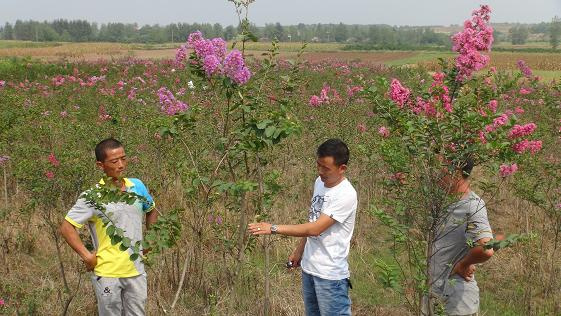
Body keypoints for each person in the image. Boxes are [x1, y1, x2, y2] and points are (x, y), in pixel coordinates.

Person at [248, 138, 357, 316]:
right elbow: (313, 220)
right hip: (309, 269)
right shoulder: (319, 183)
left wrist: (272, 228)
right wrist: (300, 251)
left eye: (326, 168)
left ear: (342, 168)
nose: (320, 172)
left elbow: (316, 228)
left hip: (330, 277)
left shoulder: (346, 194)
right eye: (318, 165)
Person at [60, 138, 157, 316]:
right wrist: (87, 257)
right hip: (107, 273)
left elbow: (151, 210)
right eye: (114, 161)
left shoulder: (137, 186)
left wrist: (149, 242)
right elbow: (66, 227)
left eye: (123, 158)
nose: (121, 165)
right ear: (100, 165)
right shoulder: (92, 196)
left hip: (136, 270)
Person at [427, 159, 494, 316]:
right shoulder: (442, 202)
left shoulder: (473, 205)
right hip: (435, 295)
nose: (437, 175)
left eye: (441, 169)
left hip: (455, 302)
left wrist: (464, 263)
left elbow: (486, 248)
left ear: (455, 171)